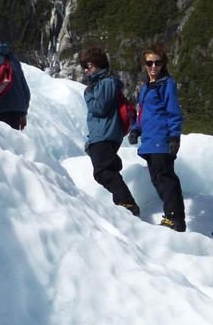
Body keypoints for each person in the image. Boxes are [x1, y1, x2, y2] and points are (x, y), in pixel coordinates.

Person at [129, 44, 186, 230]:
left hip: (161, 139)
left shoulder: (166, 84)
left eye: (157, 63)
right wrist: (136, 129)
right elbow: (143, 113)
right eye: (149, 62)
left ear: (163, 64)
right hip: (149, 141)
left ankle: (174, 218)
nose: (153, 66)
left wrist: (174, 136)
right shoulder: (147, 86)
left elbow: (173, 111)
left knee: (165, 178)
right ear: (144, 64)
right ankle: (171, 214)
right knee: (157, 179)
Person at [79, 46, 139, 216]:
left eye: (89, 66)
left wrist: (89, 94)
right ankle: (123, 202)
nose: (86, 70)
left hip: (105, 134)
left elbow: (100, 108)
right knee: (105, 169)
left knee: (102, 172)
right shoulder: (101, 83)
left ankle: (127, 203)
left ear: (98, 64)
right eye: (84, 67)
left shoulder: (106, 82)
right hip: (103, 134)